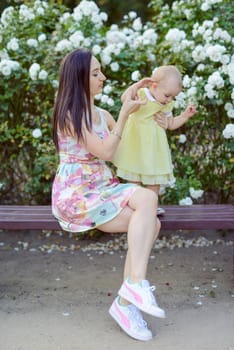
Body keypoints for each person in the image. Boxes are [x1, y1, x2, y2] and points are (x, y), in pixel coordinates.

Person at [51, 48, 165, 342]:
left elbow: (122, 150)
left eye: (100, 71)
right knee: (149, 216)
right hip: (79, 195)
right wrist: (125, 114)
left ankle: (128, 299)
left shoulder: (102, 114)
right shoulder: (69, 115)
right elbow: (104, 151)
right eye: (95, 73)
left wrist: (138, 107)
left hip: (103, 187)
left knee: (151, 217)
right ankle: (132, 291)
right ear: (78, 78)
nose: (103, 77)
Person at [113, 65, 196, 215]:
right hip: (135, 143)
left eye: (172, 97)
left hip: (154, 147)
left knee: (154, 180)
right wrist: (137, 85)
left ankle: (151, 205)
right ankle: (134, 206)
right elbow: (125, 99)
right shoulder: (142, 94)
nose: (169, 100)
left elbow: (170, 124)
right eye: (167, 95)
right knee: (134, 177)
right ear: (154, 86)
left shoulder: (165, 103)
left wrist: (184, 116)